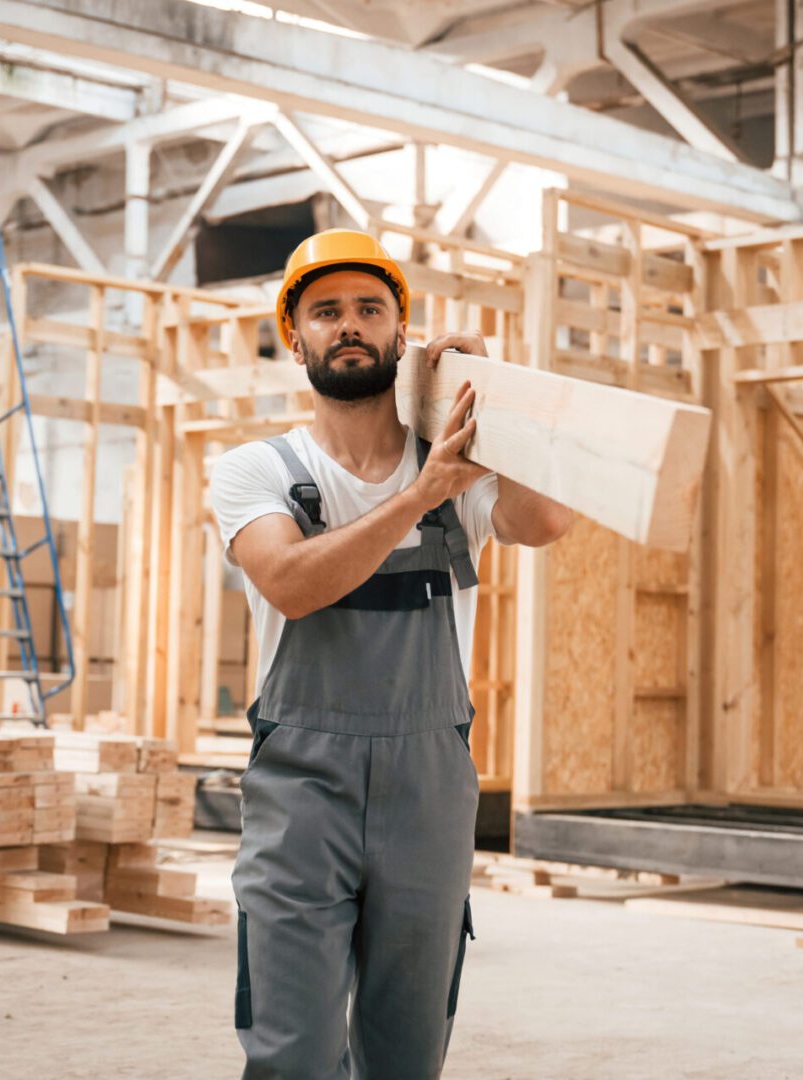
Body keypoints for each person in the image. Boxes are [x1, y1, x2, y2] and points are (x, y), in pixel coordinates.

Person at [210, 228, 573, 1078]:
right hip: (302, 787)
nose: (349, 326)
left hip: (429, 786)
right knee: (292, 1052)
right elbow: (293, 583)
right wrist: (424, 492)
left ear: (398, 332)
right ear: (294, 336)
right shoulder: (253, 471)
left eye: (370, 309)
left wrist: (500, 400)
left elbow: (546, 523)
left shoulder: (460, 469)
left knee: (409, 1052)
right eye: (325, 310)